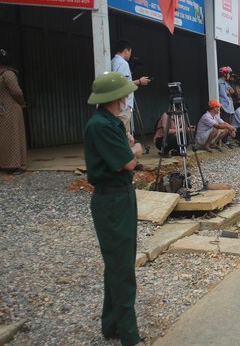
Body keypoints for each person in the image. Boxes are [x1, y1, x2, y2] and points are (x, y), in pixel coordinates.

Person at [84, 71, 144, 346]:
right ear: (117, 96)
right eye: (124, 93)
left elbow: (123, 153)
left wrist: (128, 147)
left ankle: (110, 324)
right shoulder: (101, 125)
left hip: (121, 196)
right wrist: (137, 150)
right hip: (112, 199)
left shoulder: (109, 121)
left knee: (118, 264)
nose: (126, 97)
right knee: (121, 268)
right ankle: (130, 336)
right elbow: (126, 163)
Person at [0, 48, 27, 174]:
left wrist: (22, 102)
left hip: (9, 111)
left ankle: (18, 165)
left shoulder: (8, 74)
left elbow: (17, 91)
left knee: (12, 137)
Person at [110, 40, 151, 133]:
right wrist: (140, 81)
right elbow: (122, 84)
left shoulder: (113, 61)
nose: (130, 54)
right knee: (123, 132)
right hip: (123, 103)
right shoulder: (123, 63)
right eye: (130, 52)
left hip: (115, 103)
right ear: (126, 51)